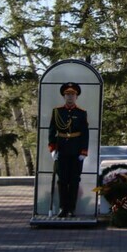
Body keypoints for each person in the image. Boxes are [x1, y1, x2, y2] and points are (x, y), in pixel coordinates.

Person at [48, 82, 89, 218]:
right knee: (62, 180)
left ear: (76, 97)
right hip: (62, 150)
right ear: (64, 96)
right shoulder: (57, 112)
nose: (70, 97)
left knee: (74, 180)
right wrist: (52, 149)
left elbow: (85, 133)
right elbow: (52, 131)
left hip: (76, 150)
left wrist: (84, 151)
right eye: (67, 95)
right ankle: (62, 208)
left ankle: (71, 208)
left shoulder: (81, 113)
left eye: (72, 94)